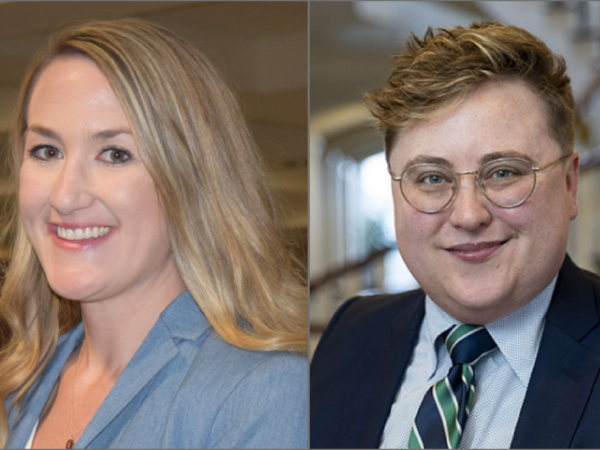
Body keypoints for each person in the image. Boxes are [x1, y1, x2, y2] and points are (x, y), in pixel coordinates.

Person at [0, 18, 308, 449]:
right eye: (46, 151)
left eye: (114, 154)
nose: (65, 196)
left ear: (192, 180)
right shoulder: (26, 383)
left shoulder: (258, 392)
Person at [311, 22, 600, 449]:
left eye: (503, 172)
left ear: (570, 184)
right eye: (431, 178)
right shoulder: (352, 334)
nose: (468, 215)